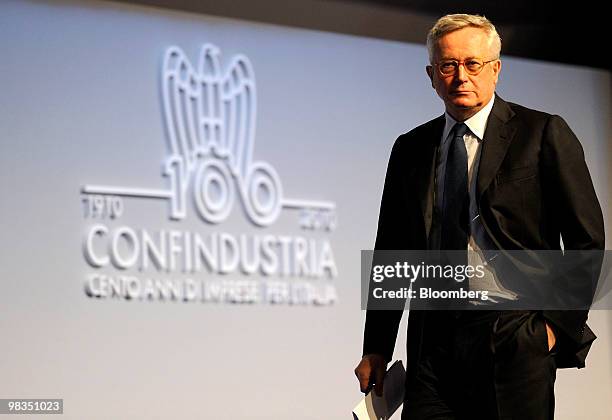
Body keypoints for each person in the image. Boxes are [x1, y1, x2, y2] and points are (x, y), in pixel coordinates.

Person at [354, 13, 604, 419]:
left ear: (496, 70)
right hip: (431, 345)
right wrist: (377, 347)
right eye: (448, 66)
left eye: (473, 64)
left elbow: (585, 241)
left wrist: (553, 330)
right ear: (431, 75)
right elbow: (392, 253)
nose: (461, 76)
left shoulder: (541, 133)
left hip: (513, 334)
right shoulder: (410, 149)